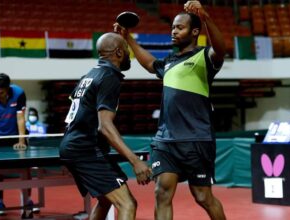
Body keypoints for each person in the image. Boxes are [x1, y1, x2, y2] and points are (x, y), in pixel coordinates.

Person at [114, 1, 227, 219]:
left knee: (203, 197)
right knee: (162, 193)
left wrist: (206, 17)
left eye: (179, 27)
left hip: (197, 140)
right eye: (172, 27)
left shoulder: (204, 58)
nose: (174, 31)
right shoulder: (169, 62)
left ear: (195, 32)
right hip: (165, 141)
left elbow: (221, 49)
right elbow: (149, 64)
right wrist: (128, 38)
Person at [59, 32, 152, 220]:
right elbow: (105, 126)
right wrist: (135, 161)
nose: (128, 54)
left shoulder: (89, 75)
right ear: (118, 53)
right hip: (86, 149)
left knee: (105, 200)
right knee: (127, 203)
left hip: (73, 145)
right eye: (126, 50)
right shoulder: (110, 76)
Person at [0, 73, 35, 216]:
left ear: (8, 89)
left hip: (17, 135)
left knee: (26, 168)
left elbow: (20, 119)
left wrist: (21, 140)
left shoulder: (18, 94)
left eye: (2, 92)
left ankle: (27, 200)